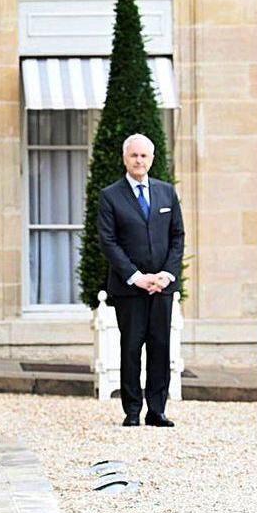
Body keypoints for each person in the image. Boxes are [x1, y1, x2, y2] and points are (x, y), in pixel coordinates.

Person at [95, 133, 185, 428]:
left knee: (160, 348)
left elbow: (177, 236)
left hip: (162, 287)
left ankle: (156, 411)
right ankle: (132, 410)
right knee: (131, 349)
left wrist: (166, 275)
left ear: (152, 159)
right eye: (134, 156)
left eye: (144, 156)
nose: (139, 161)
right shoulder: (110, 195)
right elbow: (108, 241)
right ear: (125, 158)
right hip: (129, 289)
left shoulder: (166, 193)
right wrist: (136, 277)